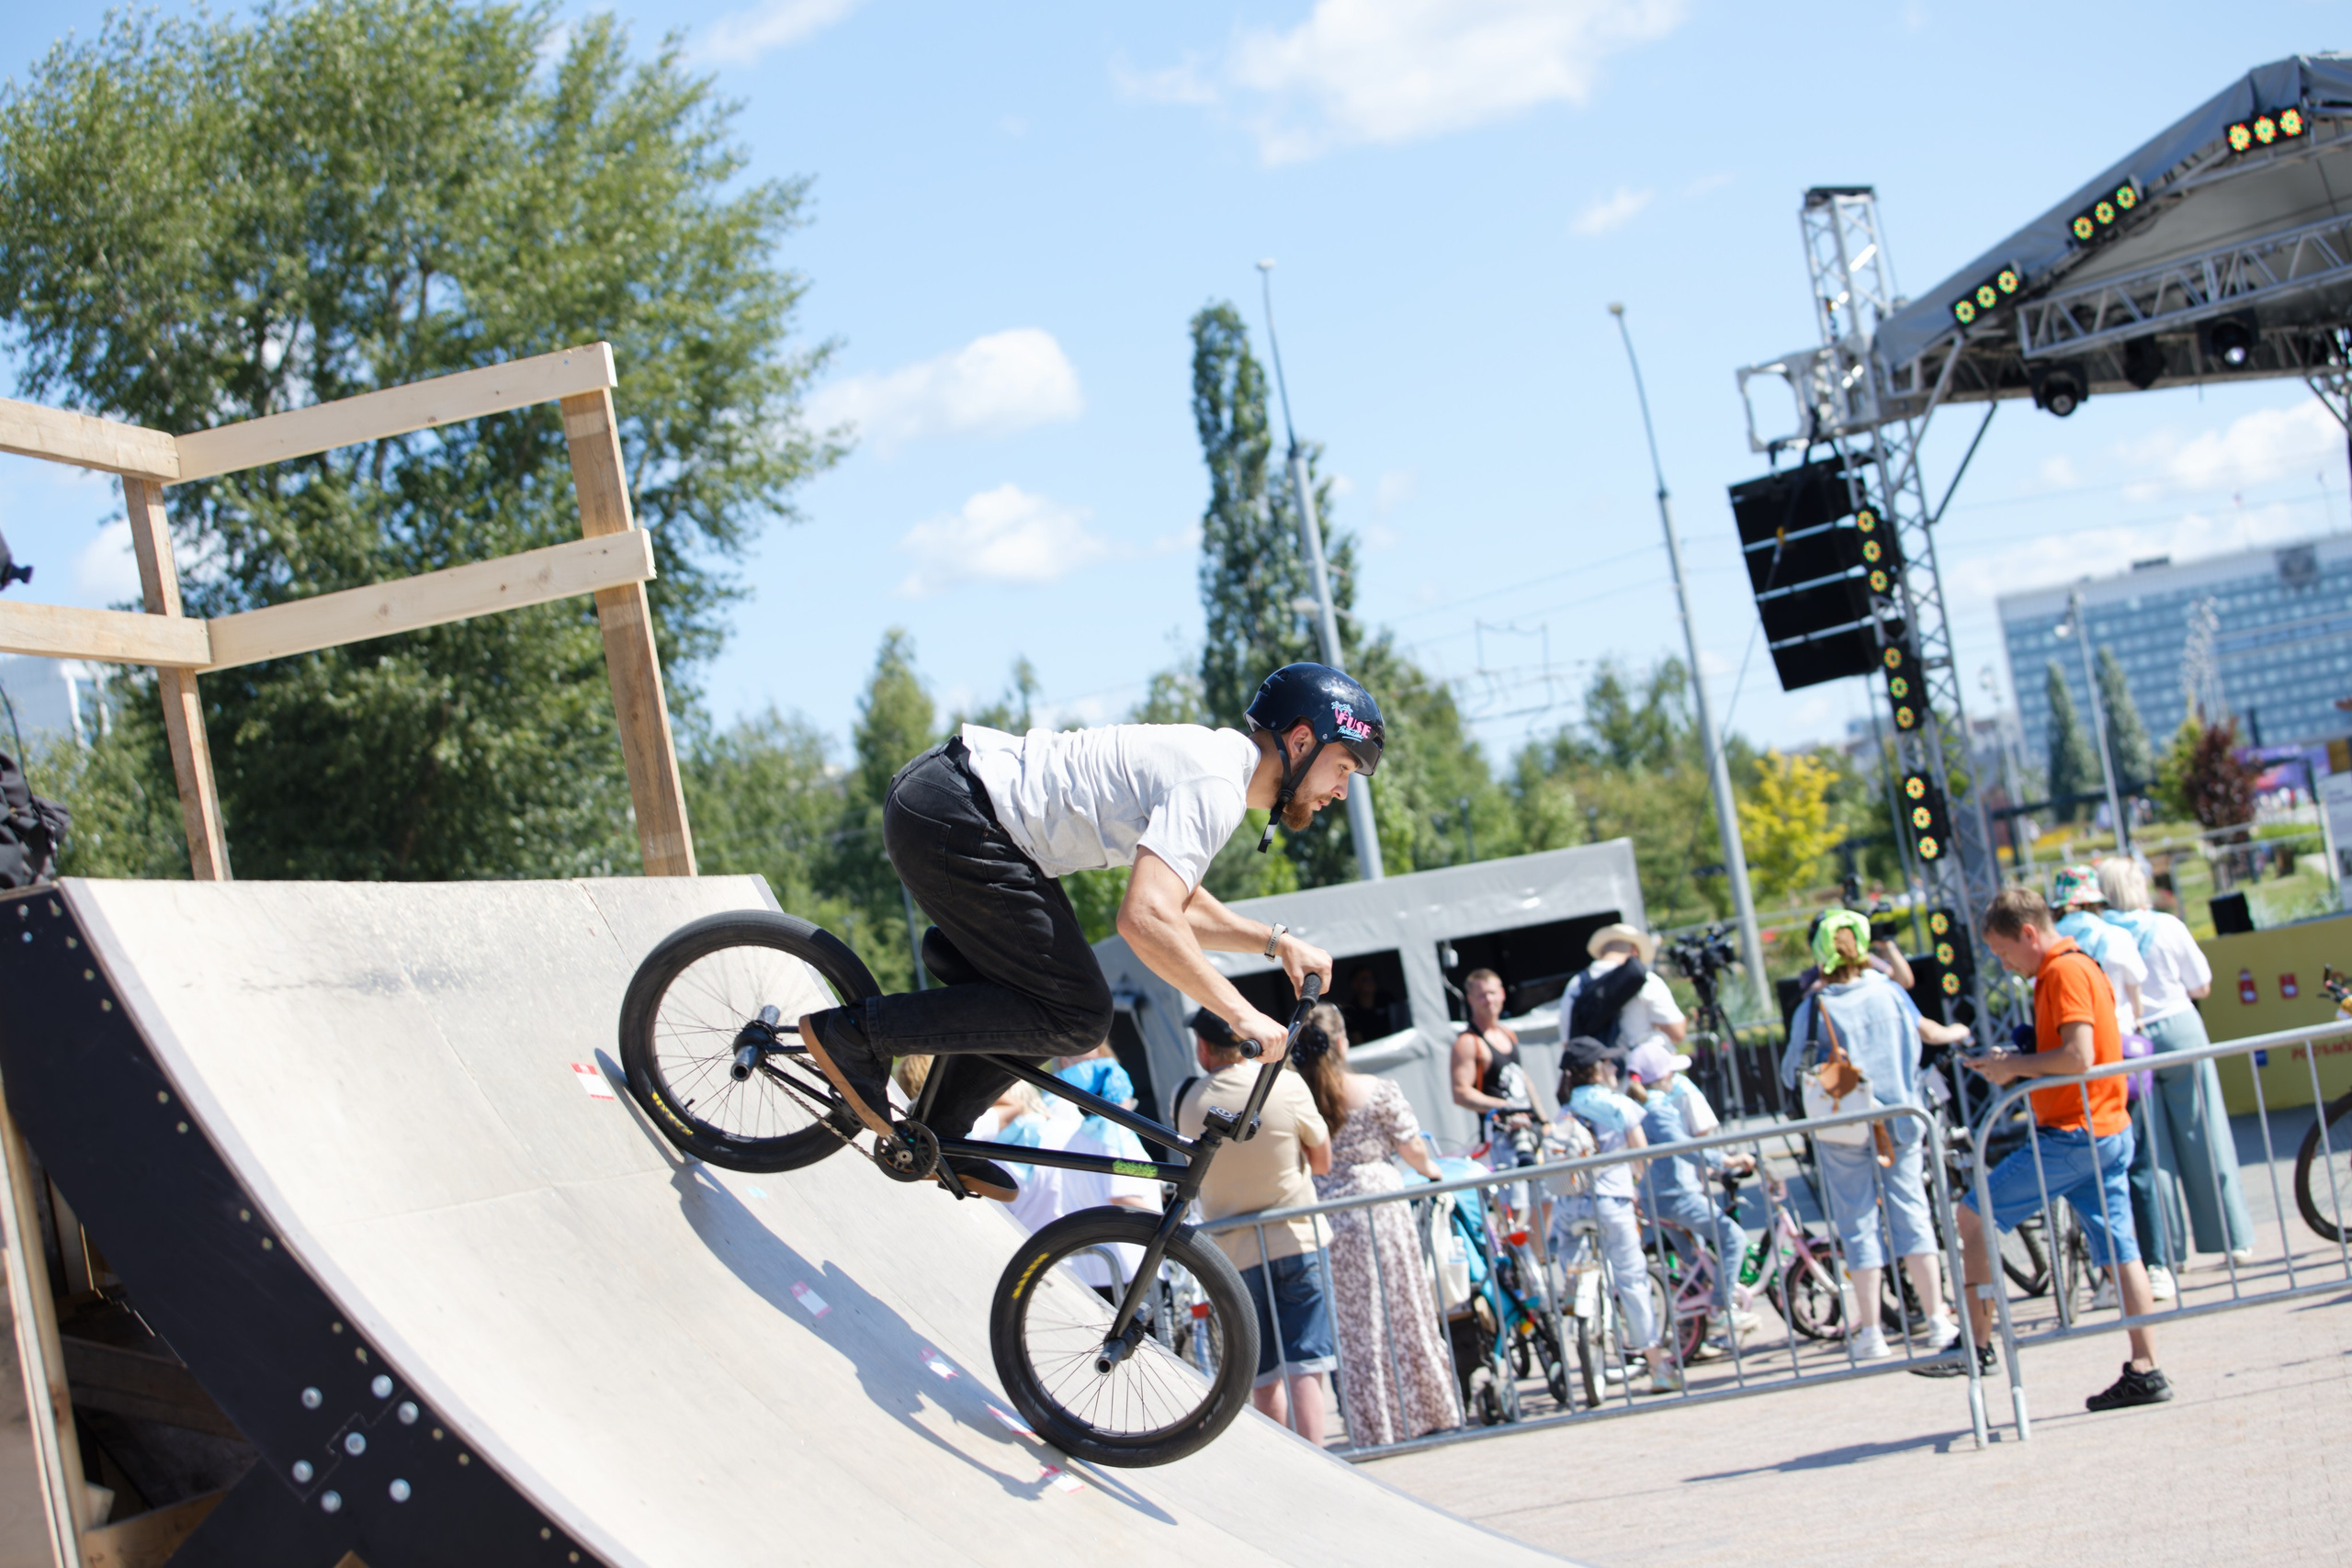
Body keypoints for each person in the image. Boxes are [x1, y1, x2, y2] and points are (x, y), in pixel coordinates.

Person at [796, 662, 1379, 1202]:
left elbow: (1180, 904)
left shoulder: (1217, 769)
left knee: (1052, 996)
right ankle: (858, 1036)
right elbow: (1146, 919)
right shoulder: (1215, 786)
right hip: (958, 815)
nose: (1342, 791)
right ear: (1301, 742)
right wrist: (1241, 1013)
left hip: (959, 813)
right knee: (1078, 1012)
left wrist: (1276, 944)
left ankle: (939, 1130)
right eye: (1344, 768)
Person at [1918, 886, 2172, 1412]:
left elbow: (2078, 1056)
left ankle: (1979, 1346)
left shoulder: (2062, 971)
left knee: (1972, 1216)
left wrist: (2012, 1067)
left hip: (2075, 1132)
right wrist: (2021, 1056)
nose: (2005, 964)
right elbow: (2076, 1050)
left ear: (2029, 933)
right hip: (2100, 1127)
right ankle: (2146, 1367)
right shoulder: (2071, 966)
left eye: (2005, 952)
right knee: (2122, 1252)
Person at [1782, 912, 1958, 1359]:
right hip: (1900, 1115)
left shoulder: (1815, 1007)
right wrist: (1960, 1032)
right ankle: (1937, 1318)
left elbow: (1790, 1072)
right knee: (1912, 1213)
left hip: (1843, 1123)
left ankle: (1872, 1332)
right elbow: (1928, 1033)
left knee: (1857, 1223)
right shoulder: (1890, 993)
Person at [1292, 1002, 1462, 1446]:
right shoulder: (1377, 1090)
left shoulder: (1298, 1095)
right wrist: (1433, 1173)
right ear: (1342, 1040)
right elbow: (1414, 1151)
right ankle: (1426, 1409)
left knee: (1355, 1325)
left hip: (1328, 1213)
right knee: (1404, 1312)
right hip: (1380, 1206)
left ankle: (1374, 1423)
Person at [1173, 1009, 1337, 1443]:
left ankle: (1286, 1467)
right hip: (1296, 1235)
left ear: (1204, 1048)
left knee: (1262, 1374)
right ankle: (1318, 1465)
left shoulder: (1185, 1099)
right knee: (1306, 1365)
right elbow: (1322, 1162)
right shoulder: (1284, 1083)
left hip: (1231, 1251)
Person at [2098, 858, 2254, 1268]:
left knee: (2152, 1150)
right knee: (2206, 1134)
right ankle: (2232, 1237)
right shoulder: (2167, 926)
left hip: (2130, 1040)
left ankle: (2167, 1253)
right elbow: (2200, 984)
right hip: (2179, 1027)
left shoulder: (2102, 935)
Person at [1555, 1035, 1681, 1394]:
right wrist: (1636, 1180)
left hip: (1569, 1205)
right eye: (1607, 1063)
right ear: (1595, 1069)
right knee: (1631, 1279)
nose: (1614, 1068)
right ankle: (1657, 1366)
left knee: (1572, 1263)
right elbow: (1641, 1151)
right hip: (1611, 1199)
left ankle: (1577, 1306)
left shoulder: (1563, 1109)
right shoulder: (1613, 1103)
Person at [1625, 1040, 1758, 1349]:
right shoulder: (1657, 1108)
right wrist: (1726, 1160)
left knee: (1695, 1263)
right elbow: (1683, 1146)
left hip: (1660, 1195)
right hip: (1674, 1195)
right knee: (1732, 1238)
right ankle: (1722, 1310)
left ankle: (1699, 1325)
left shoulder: (1645, 1106)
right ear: (1662, 1076)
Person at [1450, 968, 1541, 1178]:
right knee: (1515, 1204)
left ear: (1502, 994)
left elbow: (1523, 1079)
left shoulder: (1507, 1034)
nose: (1488, 1000)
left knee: (1544, 1198)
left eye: (1492, 993)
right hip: (1501, 1136)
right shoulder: (1468, 1042)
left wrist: (1542, 1120)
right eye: (1481, 995)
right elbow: (1460, 1093)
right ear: (1470, 1000)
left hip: (1529, 1128)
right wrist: (1504, 1107)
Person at [1052, 1041, 1136, 1111]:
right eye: (1086, 1063)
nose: (1095, 1066)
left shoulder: (1113, 1076)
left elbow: (1122, 1113)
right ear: (1065, 1061)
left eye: (1092, 1062)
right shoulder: (1055, 1091)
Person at [1340, 964, 1403, 1046]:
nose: (1371, 982)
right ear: (1355, 984)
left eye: (1373, 978)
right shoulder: (1351, 1011)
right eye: (1365, 979)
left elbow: (1401, 1024)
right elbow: (1358, 1042)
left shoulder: (1387, 999)